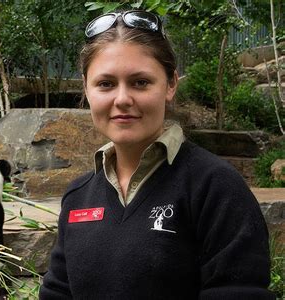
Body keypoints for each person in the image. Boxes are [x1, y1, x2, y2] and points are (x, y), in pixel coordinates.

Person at [39, 10, 274, 299]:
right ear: (86, 89)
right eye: (106, 84)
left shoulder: (215, 187)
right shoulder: (78, 196)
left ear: (170, 84)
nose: (122, 99)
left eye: (140, 82)